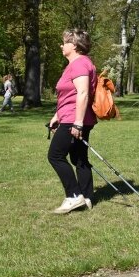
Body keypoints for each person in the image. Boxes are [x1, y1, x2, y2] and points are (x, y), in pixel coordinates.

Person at [47, 29, 98, 214]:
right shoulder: (78, 64)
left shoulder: (79, 64)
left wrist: (77, 122)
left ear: (74, 45)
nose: (62, 46)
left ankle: (74, 196)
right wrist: (56, 116)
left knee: (55, 156)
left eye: (64, 42)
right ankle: (87, 197)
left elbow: (83, 93)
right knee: (79, 158)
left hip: (75, 119)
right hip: (71, 116)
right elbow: (69, 95)